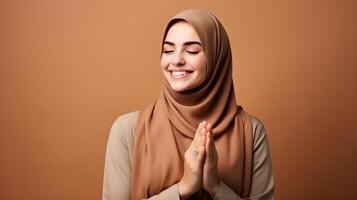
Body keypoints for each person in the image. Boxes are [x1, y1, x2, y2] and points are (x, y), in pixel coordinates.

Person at [102, 9, 274, 200]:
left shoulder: (251, 131)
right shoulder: (128, 130)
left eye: (192, 50)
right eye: (168, 50)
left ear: (217, 57)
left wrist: (216, 187)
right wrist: (182, 188)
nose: (176, 60)